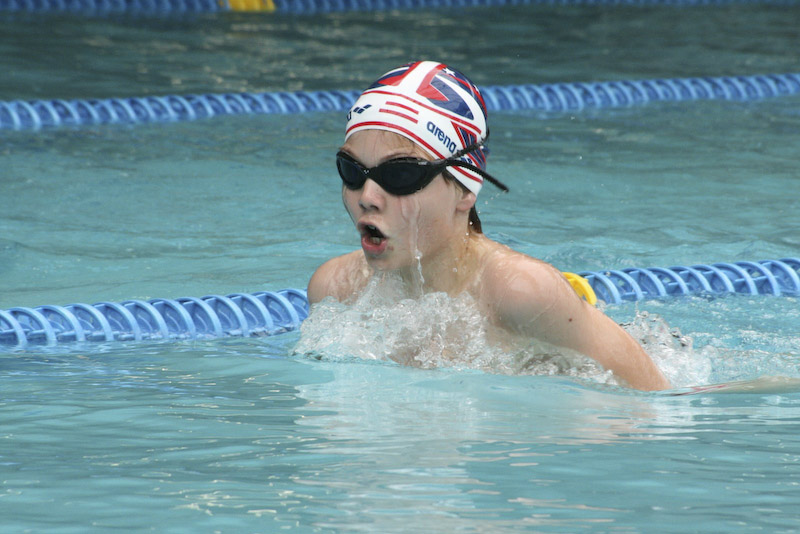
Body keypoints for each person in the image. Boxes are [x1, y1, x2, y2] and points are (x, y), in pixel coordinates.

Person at [307, 60, 670, 391]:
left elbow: (657, 400)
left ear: (465, 190)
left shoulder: (521, 294)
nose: (368, 196)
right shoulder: (335, 289)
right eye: (352, 170)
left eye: (400, 174)